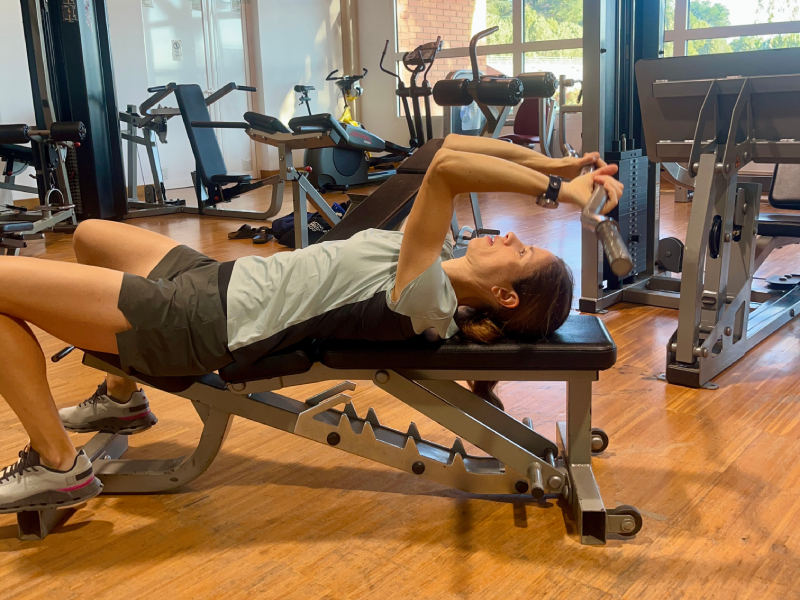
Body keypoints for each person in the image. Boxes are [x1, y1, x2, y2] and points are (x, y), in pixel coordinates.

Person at [0, 134, 622, 514]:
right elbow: (446, 151)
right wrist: (558, 162)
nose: (510, 237)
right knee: (90, 234)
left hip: (198, 322)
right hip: (215, 278)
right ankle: (122, 402)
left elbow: (447, 175)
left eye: (521, 251)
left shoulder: (426, 297)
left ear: (504, 296)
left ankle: (58, 465)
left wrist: (559, 193)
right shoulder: (435, 256)